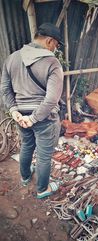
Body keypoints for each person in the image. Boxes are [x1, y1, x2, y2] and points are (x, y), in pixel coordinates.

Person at [1, 22, 64, 199]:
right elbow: (52, 99)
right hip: (44, 118)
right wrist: (34, 118)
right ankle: (43, 189)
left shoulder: (11, 58)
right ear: (50, 41)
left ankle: (25, 177)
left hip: (21, 115)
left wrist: (14, 112)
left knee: (27, 146)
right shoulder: (52, 63)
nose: (55, 49)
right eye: (56, 45)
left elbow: (5, 89)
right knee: (44, 156)